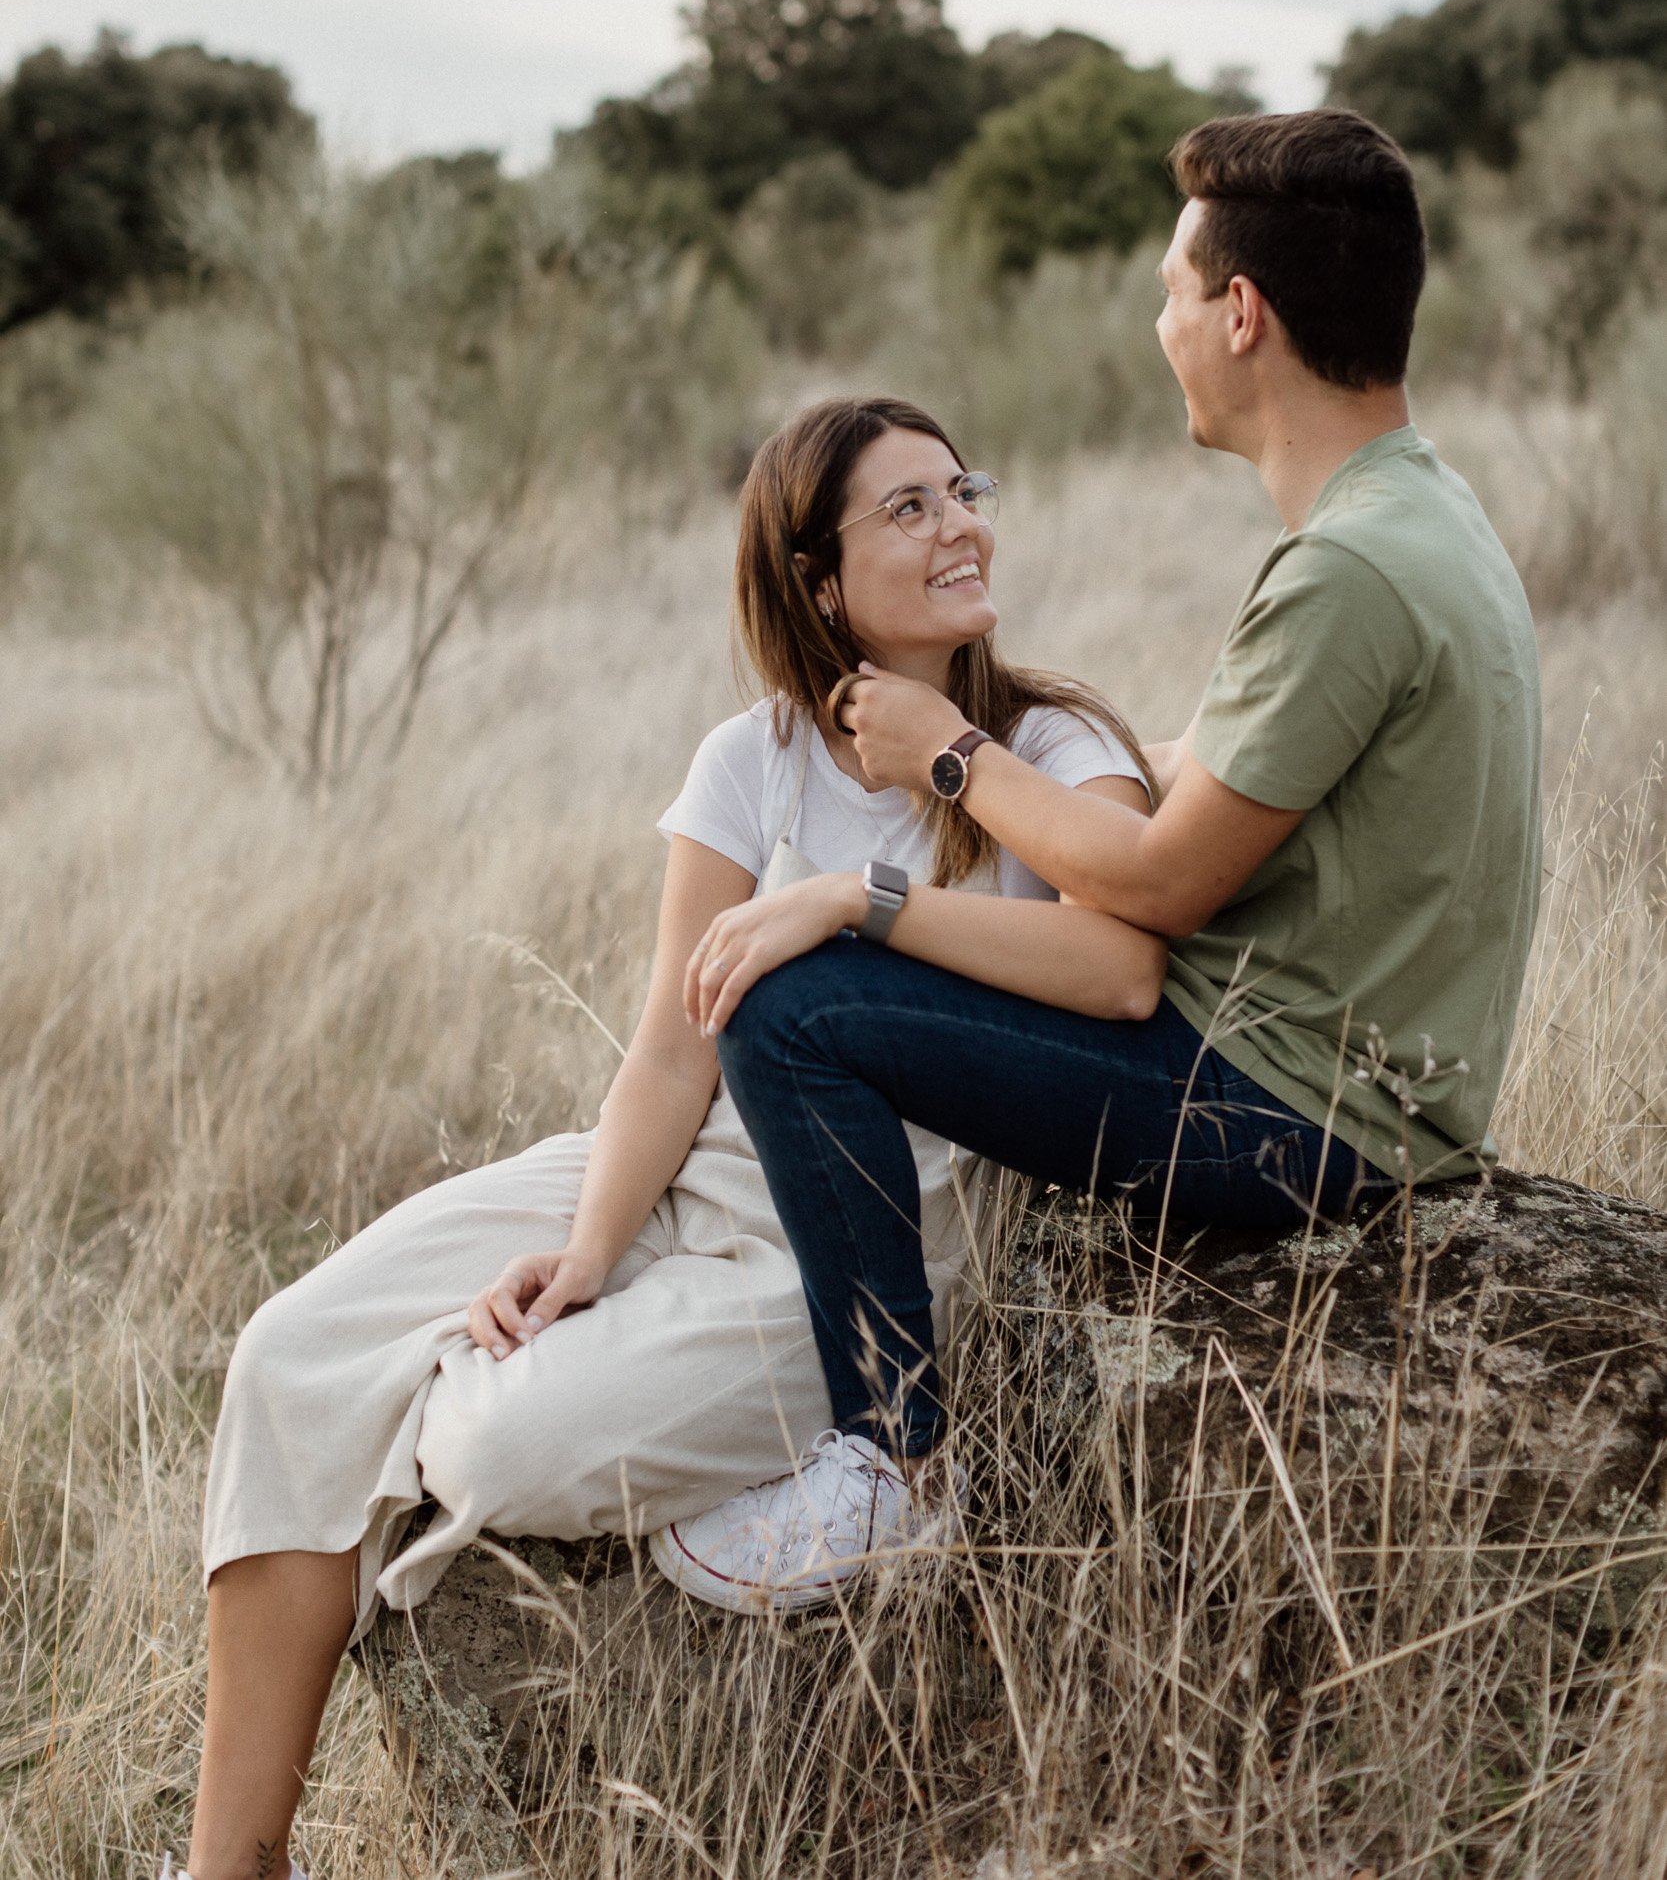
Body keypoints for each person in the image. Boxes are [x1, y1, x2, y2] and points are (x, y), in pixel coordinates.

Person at [174, 393, 1169, 1880]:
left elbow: (1124, 967)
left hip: (861, 1233)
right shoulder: (752, 757)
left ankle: (480, 1418)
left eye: (961, 490)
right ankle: (227, 1867)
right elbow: (667, 1043)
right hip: (680, 1166)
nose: (961, 525)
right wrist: (586, 1252)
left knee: (494, 1437)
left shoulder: (1048, 743)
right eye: (908, 508)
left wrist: (904, 830)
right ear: (819, 581)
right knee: (290, 1355)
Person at [658, 107, 1543, 1611]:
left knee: (789, 1012)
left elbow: (1154, 886)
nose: (1161, 324)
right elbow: (1207, 798)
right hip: (1370, 1090)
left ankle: (893, 1464)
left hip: (1289, 1107)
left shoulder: (1343, 571)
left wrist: (944, 761)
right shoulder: (1424, 518)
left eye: (1170, 291)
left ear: (1241, 315)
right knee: (827, 975)